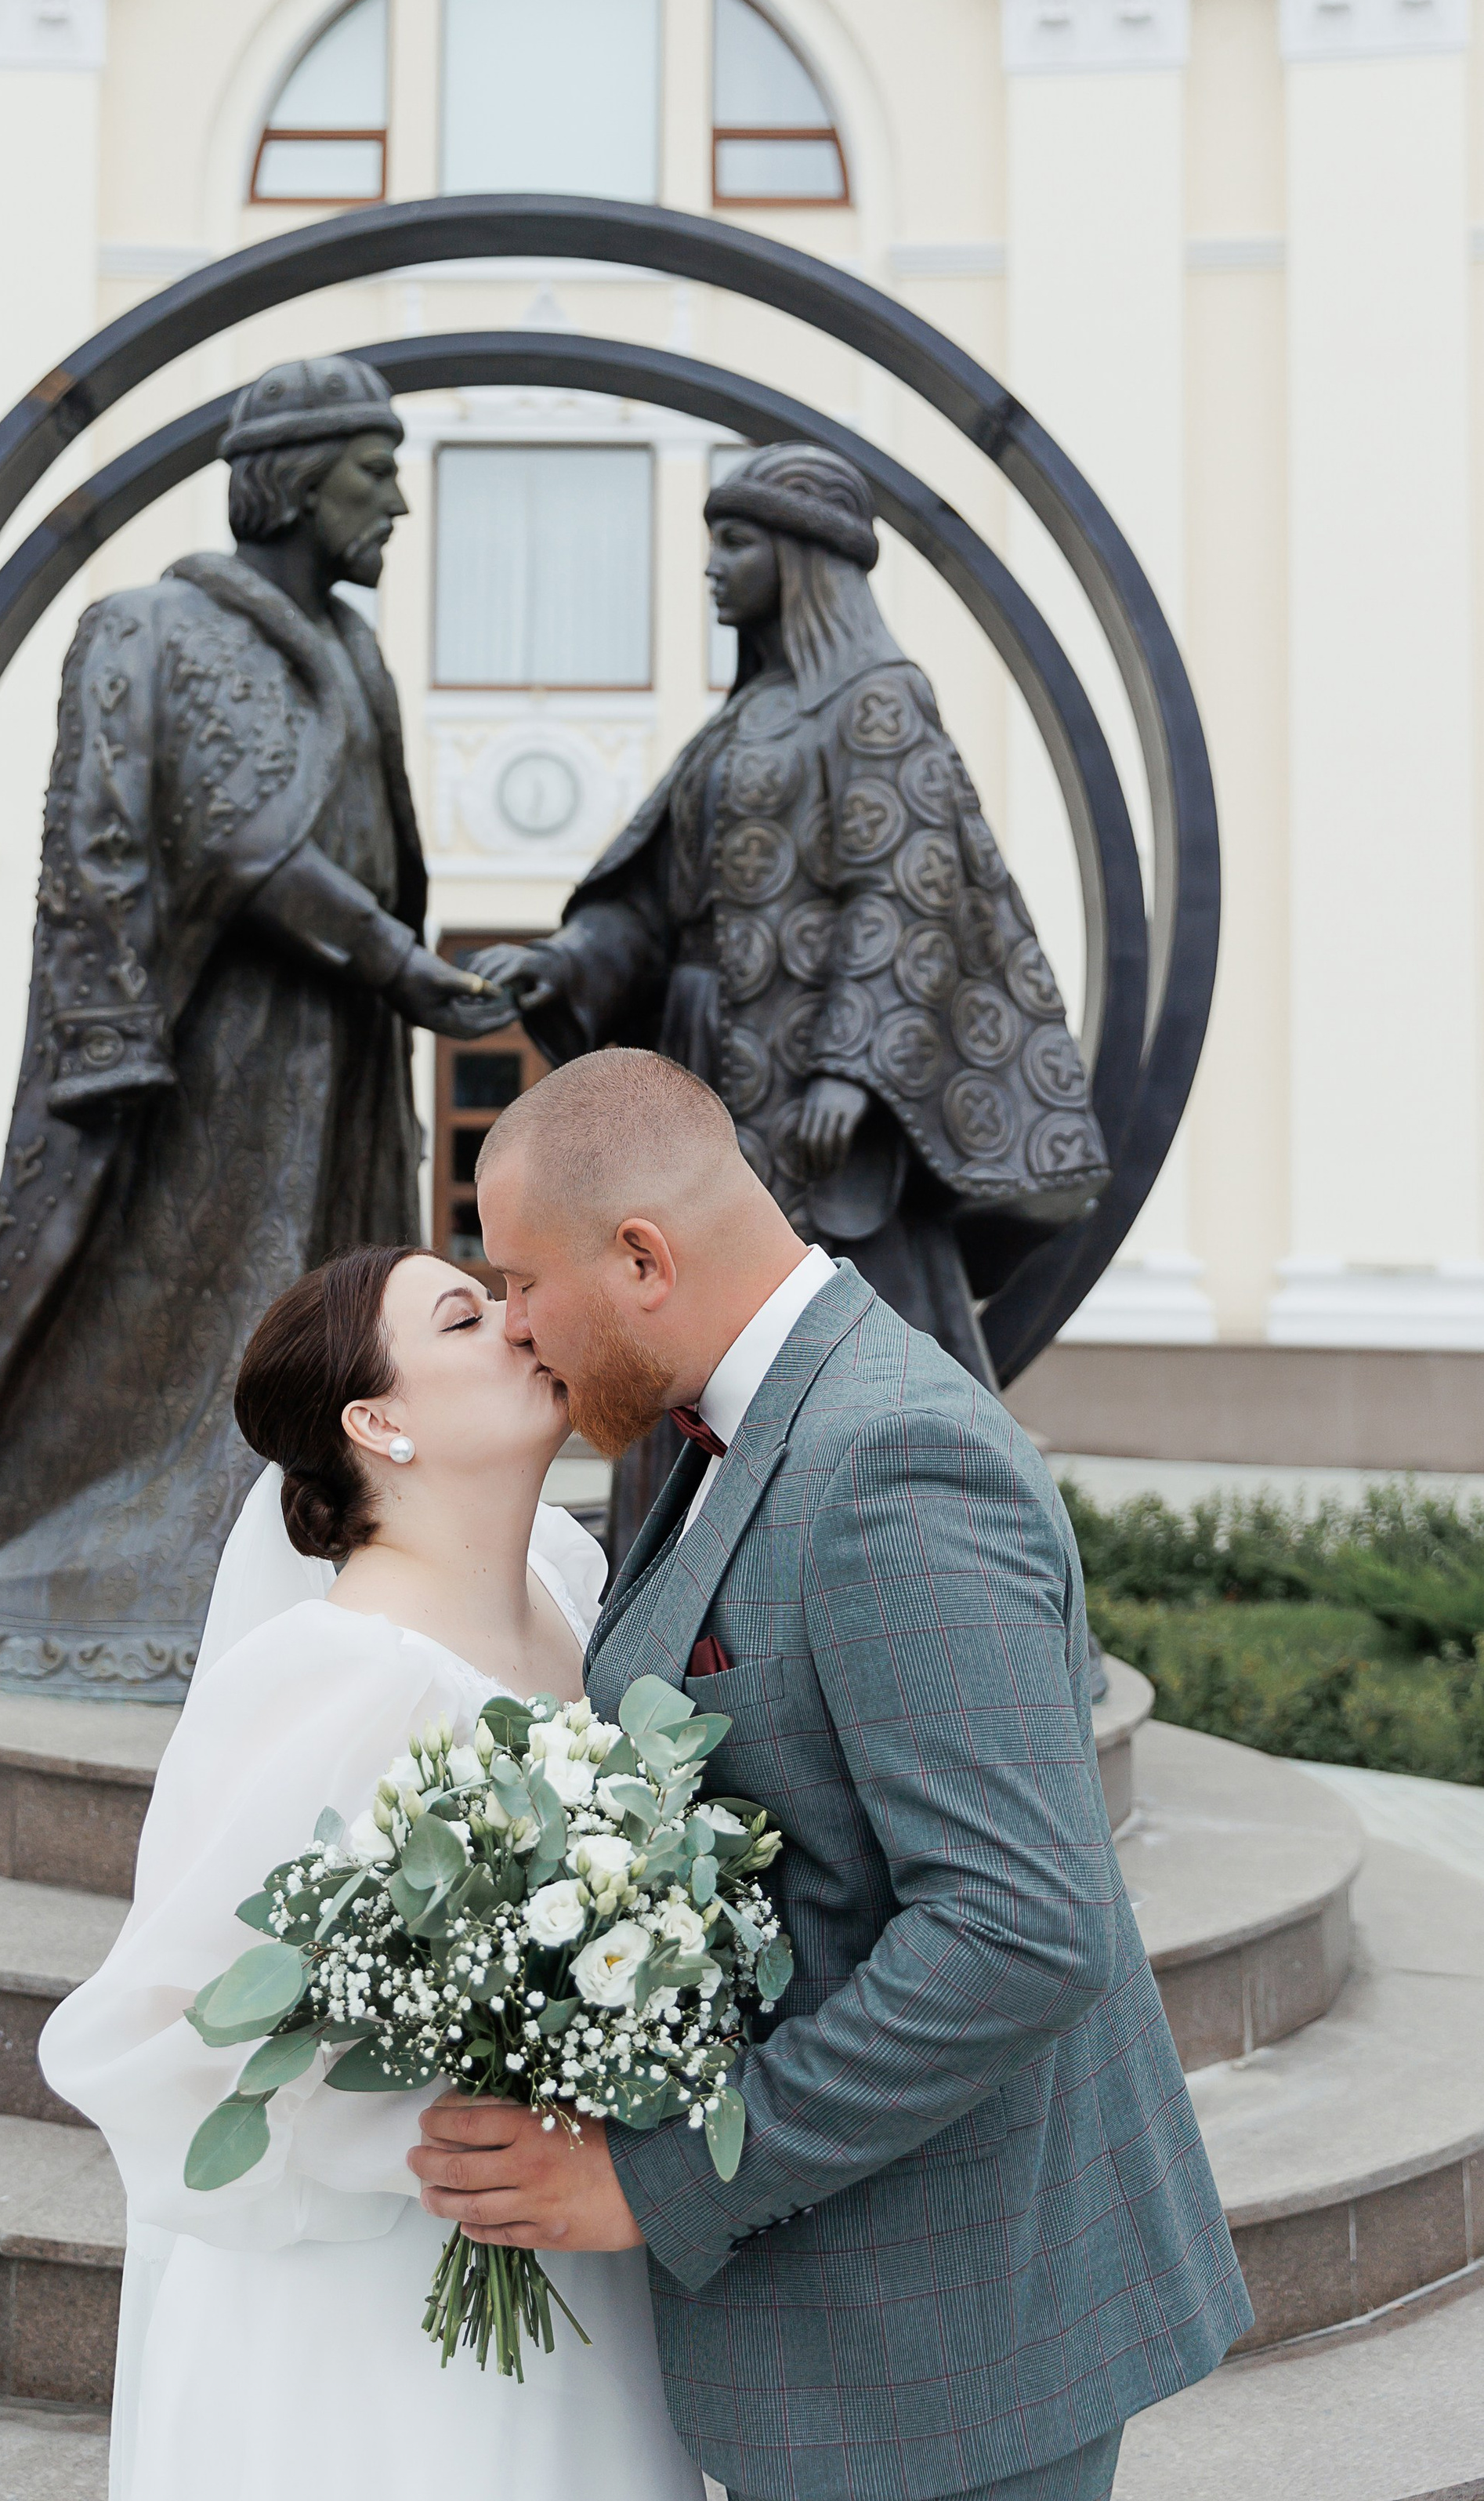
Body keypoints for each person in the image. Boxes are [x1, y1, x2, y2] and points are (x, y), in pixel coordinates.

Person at [409, 1046, 1250, 2501]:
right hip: (860, 2337)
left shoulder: (894, 1459)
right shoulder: (727, 1422)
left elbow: (1018, 1929)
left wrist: (649, 2180)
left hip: (954, 2355)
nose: (523, 1330)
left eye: (527, 1282)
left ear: (644, 1258)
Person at [37, 1242, 706, 2501]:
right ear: (378, 1421)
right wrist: (443, 2123)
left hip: (591, 2265)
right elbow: (158, 2032)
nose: (519, 1322)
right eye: (465, 1317)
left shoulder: (572, 1586)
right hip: (381, 2314)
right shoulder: (329, 1679)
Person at [0, 354, 509, 1702]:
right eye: (376, 471)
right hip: (211, 1066)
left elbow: (367, 846)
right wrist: (403, 961)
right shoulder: (160, 628)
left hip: (343, 1050)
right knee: (197, 1318)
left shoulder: (356, 655)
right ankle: (137, 1574)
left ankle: (326, 1551)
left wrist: (405, 977)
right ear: (295, 481)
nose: (400, 506)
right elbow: (237, 844)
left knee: (343, 1314)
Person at [471, 444, 1108, 1397]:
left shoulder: (876, 697)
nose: (711, 566)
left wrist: (853, 1069)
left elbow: (907, 888)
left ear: (802, 556)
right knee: (687, 1318)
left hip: (818, 1089)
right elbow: (655, 905)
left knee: (846, 1329)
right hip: (704, 1068)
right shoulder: (742, 720)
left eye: (734, 543)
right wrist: (569, 959)